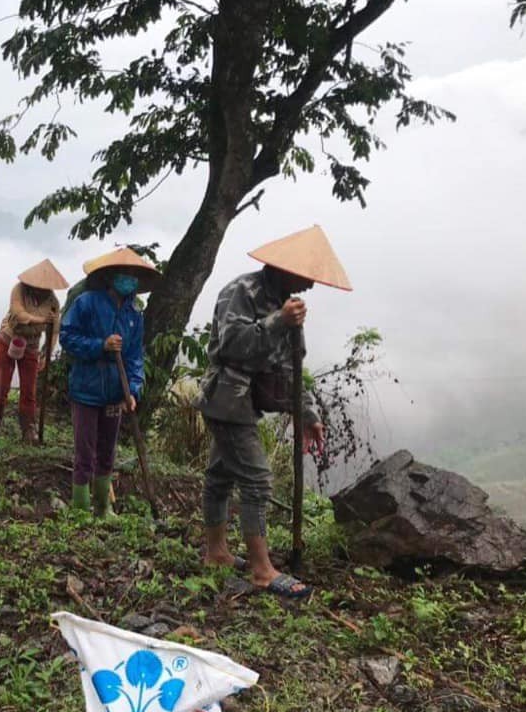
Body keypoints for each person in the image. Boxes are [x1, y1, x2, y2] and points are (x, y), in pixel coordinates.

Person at [196, 225, 351, 599]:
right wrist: (278, 320)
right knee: (257, 480)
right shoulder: (241, 292)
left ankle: (216, 552)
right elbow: (232, 344)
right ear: (284, 269)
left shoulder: (289, 306)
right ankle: (262, 570)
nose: (308, 287)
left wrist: (307, 414)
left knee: (220, 475)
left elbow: (293, 365)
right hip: (228, 399)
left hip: (248, 403)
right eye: (304, 278)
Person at [60, 248, 158, 518]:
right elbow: (67, 337)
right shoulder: (87, 303)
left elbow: (135, 356)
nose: (130, 281)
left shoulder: (133, 315)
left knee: (107, 451)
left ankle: (103, 507)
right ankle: (80, 507)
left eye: (134, 277)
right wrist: (100, 345)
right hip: (86, 388)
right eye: (125, 276)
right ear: (112, 276)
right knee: (85, 449)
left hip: (116, 392)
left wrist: (134, 389)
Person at [0, 259, 68, 441]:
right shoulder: (19, 289)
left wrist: (46, 353)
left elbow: (54, 331)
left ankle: (28, 428)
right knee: (1, 383)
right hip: (9, 338)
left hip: (31, 345)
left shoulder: (53, 302)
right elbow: (18, 312)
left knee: (29, 389)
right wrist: (41, 321)